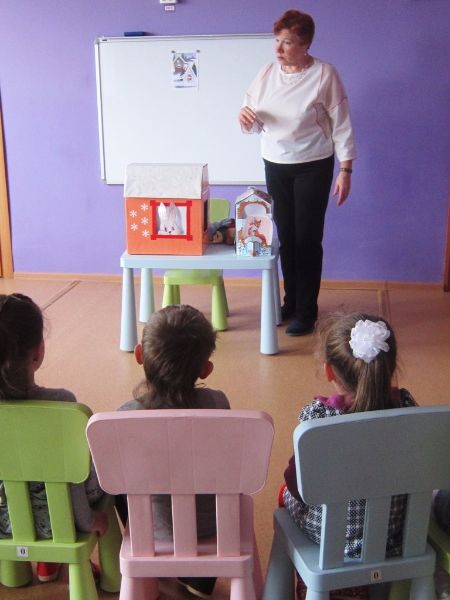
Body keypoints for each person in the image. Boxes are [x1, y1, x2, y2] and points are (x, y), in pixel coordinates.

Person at [281, 312, 417, 600]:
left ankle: (307, 585)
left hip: (331, 538)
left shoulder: (317, 419)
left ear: (329, 371)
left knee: (284, 492)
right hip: (394, 535)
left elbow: (298, 486)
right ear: (389, 367)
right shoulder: (408, 408)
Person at [238, 9, 356, 336]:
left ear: (305, 45)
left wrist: (346, 169)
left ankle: (306, 310)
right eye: (277, 40)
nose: (278, 49)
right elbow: (253, 118)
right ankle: (289, 302)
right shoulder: (266, 73)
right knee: (286, 237)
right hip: (275, 164)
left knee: (306, 239)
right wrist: (245, 119)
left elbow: (342, 124)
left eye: (287, 42)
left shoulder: (324, 75)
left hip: (313, 165)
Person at [117, 304, 230, 599]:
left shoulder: (126, 416)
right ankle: (201, 579)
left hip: (152, 530)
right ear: (206, 368)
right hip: (214, 527)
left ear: (139, 355)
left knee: (114, 477)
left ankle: (148, 564)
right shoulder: (218, 404)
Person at [0, 293, 107, 583]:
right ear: (38, 352)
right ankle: (56, 557)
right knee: (96, 465)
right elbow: (74, 480)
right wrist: (87, 521)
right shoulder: (63, 405)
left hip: (5, 525)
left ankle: (15, 573)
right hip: (58, 522)